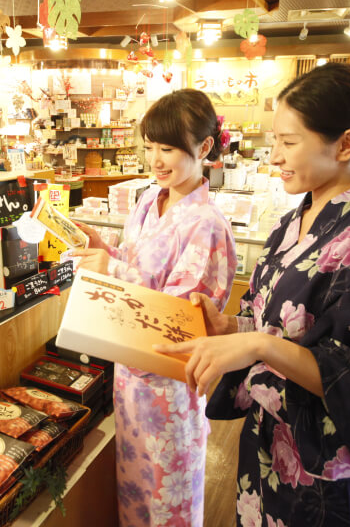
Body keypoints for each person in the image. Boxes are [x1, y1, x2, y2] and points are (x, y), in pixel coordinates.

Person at [156, 55, 350, 527]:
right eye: (275, 139)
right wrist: (232, 326)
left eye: (288, 141)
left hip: (336, 484)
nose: (274, 155)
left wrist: (258, 344)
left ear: (347, 144)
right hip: (275, 459)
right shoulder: (299, 218)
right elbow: (282, 323)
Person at [72, 88, 237, 527]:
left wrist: (112, 271)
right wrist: (102, 249)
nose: (156, 160)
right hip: (130, 375)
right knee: (134, 491)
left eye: (168, 148)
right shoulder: (150, 200)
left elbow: (182, 316)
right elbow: (134, 260)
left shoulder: (207, 224)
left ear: (203, 148)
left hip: (169, 382)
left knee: (168, 497)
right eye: (149, 147)